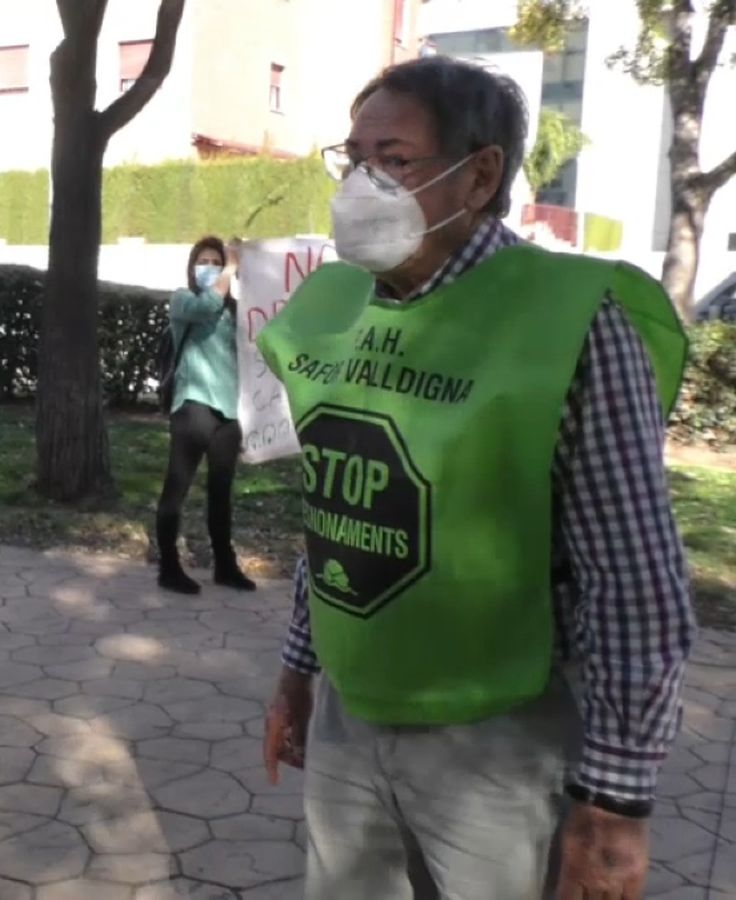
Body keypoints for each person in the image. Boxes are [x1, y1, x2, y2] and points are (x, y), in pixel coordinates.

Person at [256, 57, 695, 900]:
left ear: (480, 174)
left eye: (395, 160)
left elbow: (634, 583)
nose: (360, 184)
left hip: (496, 736)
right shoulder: (339, 307)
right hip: (353, 714)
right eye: (352, 159)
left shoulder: (569, 321)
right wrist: (296, 673)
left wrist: (614, 802)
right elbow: (340, 507)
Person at [156, 235, 256, 594]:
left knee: (221, 493)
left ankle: (224, 566)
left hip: (228, 414)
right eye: (205, 262)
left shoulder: (236, 309)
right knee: (177, 488)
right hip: (193, 405)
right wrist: (230, 267)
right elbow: (207, 306)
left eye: (217, 262)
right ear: (192, 267)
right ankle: (168, 566)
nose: (210, 268)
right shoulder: (183, 301)